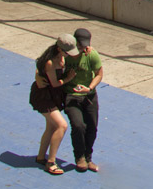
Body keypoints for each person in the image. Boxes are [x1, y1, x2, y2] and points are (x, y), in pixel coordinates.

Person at [29, 34, 80, 175]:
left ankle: (41, 157)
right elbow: (55, 83)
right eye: (66, 52)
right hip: (44, 97)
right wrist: (69, 78)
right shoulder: (50, 62)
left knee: (51, 126)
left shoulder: (60, 56)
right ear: (59, 49)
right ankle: (51, 162)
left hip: (53, 96)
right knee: (62, 125)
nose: (69, 55)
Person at [63, 28, 104, 173]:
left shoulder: (91, 54)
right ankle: (79, 157)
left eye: (85, 45)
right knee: (79, 125)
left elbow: (99, 74)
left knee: (92, 126)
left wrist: (90, 87)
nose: (82, 49)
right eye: (80, 45)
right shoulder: (65, 54)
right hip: (71, 95)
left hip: (89, 95)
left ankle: (88, 157)